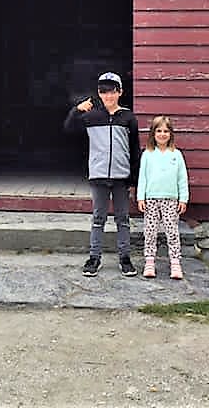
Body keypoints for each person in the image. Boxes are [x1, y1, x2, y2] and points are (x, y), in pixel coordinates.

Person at [64, 71, 141, 278]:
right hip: (98, 175)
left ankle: (125, 258)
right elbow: (68, 129)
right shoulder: (91, 117)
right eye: (104, 92)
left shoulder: (128, 118)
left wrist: (134, 180)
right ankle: (94, 257)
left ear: (120, 92)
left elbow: (135, 150)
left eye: (112, 92)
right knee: (98, 218)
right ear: (99, 93)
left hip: (121, 177)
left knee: (123, 219)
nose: (108, 96)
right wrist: (76, 110)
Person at [136, 115, 189, 279]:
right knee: (150, 231)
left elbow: (182, 178)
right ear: (153, 134)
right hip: (151, 199)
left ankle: (175, 263)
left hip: (171, 200)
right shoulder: (147, 154)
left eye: (166, 131)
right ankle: (150, 262)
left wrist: (183, 198)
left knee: (172, 231)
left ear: (171, 134)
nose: (162, 134)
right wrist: (140, 197)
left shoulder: (176, 155)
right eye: (158, 131)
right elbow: (142, 177)